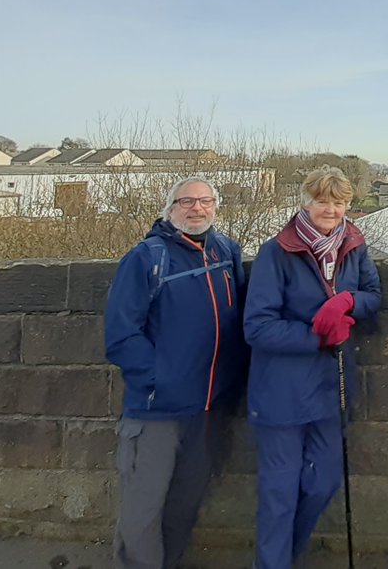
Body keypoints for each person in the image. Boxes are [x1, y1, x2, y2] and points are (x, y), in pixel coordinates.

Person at [105, 176, 248, 569]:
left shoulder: (226, 252)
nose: (197, 209)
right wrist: (160, 382)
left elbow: (238, 324)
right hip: (158, 410)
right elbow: (121, 335)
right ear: (170, 209)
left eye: (205, 201)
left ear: (216, 207)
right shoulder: (146, 257)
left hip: (208, 409)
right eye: (187, 202)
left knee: (185, 504)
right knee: (143, 509)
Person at [243, 165, 382, 569]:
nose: (332, 210)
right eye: (323, 201)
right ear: (305, 202)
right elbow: (258, 326)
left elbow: (373, 294)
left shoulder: (353, 244)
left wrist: (348, 302)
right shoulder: (277, 252)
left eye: (339, 202)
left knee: (323, 484)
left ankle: (288, 555)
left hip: (330, 391)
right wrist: (317, 336)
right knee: (279, 495)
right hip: (281, 394)